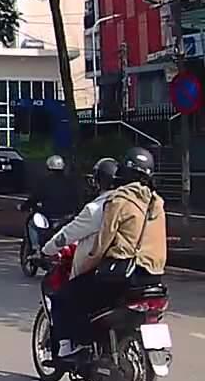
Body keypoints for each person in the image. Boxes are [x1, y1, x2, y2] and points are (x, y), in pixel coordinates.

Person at [47, 148, 167, 360]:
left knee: (66, 295)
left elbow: (102, 244)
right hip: (154, 277)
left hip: (124, 275)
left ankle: (72, 347)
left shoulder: (119, 200)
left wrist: (83, 269)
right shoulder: (157, 203)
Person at [20, 154, 80, 220]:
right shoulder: (70, 182)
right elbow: (76, 199)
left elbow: (35, 197)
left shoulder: (45, 182)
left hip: (49, 214)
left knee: (33, 220)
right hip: (68, 215)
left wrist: (24, 207)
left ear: (48, 167)